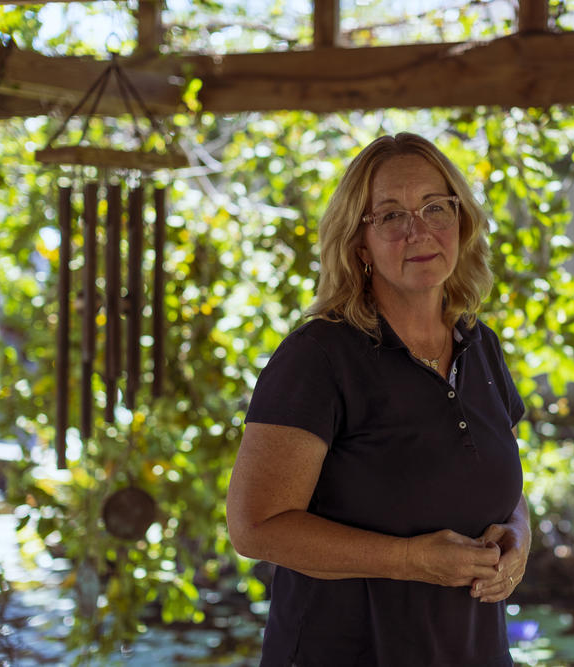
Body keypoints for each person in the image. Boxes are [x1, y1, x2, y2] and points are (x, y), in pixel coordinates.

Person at [226, 132, 530, 666]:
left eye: (436, 207)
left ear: (461, 220)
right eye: (391, 215)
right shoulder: (318, 357)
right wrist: (411, 559)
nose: (419, 230)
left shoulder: (479, 346)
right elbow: (254, 527)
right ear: (359, 244)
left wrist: (519, 540)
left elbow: (503, 483)